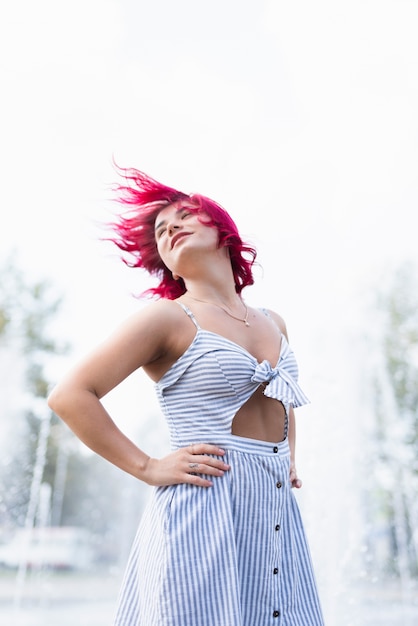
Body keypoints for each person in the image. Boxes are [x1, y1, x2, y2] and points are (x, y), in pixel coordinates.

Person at [48, 167, 324, 626]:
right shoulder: (168, 319)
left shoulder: (274, 321)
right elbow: (70, 395)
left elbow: (284, 398)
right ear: (167, 265)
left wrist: (287, 458)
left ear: (223, 229)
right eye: (160, 230)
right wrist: (149, 467)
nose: (170, 227)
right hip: (203, 509)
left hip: (273, 513)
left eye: (184, 215)